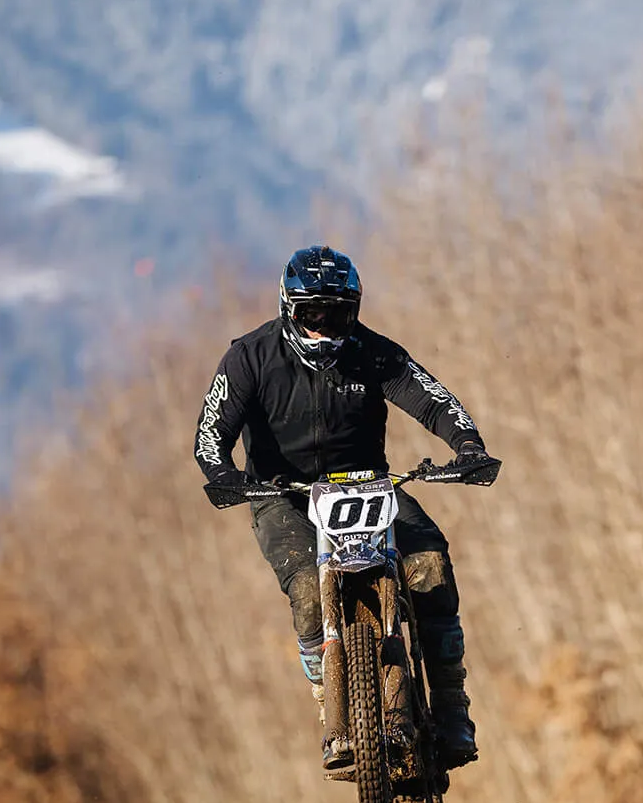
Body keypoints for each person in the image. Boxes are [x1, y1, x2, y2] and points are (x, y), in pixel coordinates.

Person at [194, 245, 495, 772]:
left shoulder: (374, 352)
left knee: (429, 566)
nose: (325, 328)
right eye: (312, 313)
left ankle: (451, 707)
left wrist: (467, 445)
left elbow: (431, 398)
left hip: (369, 487)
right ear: (289, 308)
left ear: (354, 311)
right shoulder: (248, 356)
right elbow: (210, 433)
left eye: (338, 314)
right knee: (310, 590)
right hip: (282, 496)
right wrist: (221, 472)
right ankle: (326, 701)